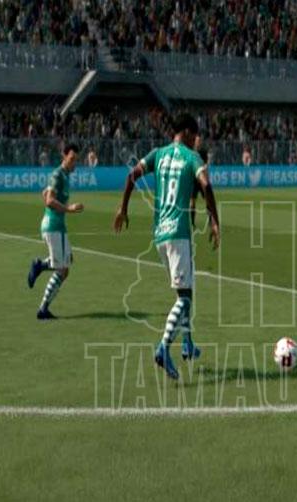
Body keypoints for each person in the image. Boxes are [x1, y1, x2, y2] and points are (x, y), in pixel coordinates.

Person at [112, 113, 220, 380]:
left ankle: (187, 344)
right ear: (187, 132)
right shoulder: (191, 157)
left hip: (160, 234)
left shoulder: (157, 154)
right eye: (195, 135)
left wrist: (123, 208)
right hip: (179, 233)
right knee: (184, 298)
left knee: (186, 290)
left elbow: (131, 176)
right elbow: (206, 185)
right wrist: (214, 220)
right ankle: (163, 347)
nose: (196, 141)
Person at [26, 144, 85, 320]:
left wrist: (48, 196)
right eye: (72, 159)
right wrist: (69, 209)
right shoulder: (58, 174)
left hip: (58, 226)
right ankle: (43, 308)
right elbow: (49, 200)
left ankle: (40, 267)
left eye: (76, 160)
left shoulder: (64, 176)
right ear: (64, 156)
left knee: (66, 265)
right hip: (53, 226)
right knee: (62, 269)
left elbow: (45, 193)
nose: (74, 163)